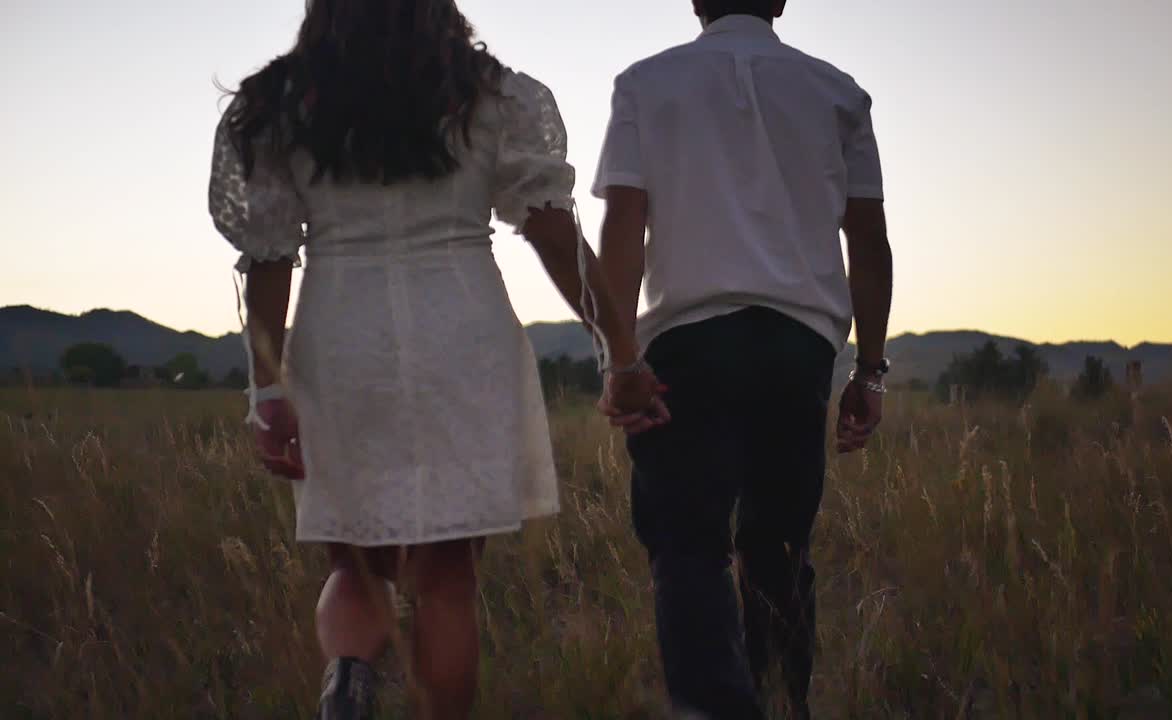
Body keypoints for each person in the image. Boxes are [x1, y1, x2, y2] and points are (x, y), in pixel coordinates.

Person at [207, 1, 665, 718]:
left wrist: (268, 389)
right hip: (462, 330)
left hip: (340, 333)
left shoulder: (279, 103)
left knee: (357, 559)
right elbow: (550, 228)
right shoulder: (492, 95)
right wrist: (619, 347)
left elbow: (267, 257)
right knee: (448, 579)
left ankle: (350, 673)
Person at [594, 0, 894, 717]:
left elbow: (624, 229)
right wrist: (869, 370)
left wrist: (619, 358)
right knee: (780, 543)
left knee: (688, 545)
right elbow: (871, 243)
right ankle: (782, 700)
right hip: (798, 349)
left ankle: (715, 706)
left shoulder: (646, 84)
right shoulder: (837, 93)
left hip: (688, 346)